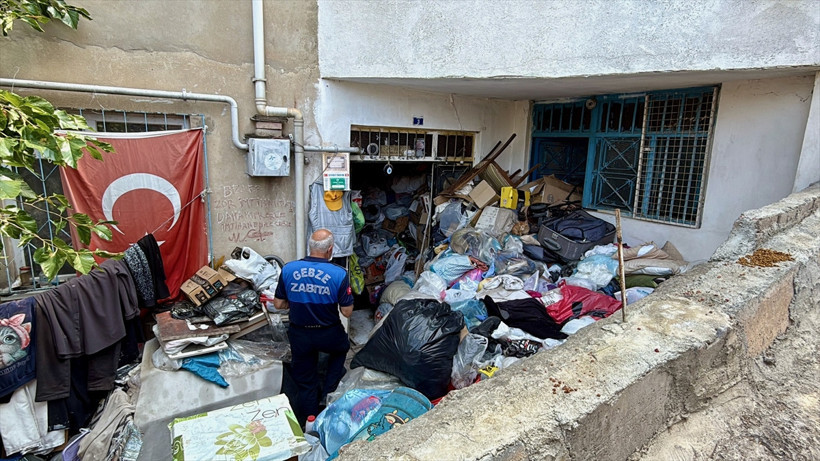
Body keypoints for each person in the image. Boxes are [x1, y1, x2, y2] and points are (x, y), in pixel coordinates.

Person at [273, 229, 353, 425]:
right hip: (328, 333)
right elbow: (347, 312)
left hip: (300, 333)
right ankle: (328, 394)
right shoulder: (339, 274)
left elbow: (278, 304)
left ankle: (309, 418)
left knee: (305, 378)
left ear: (310, 247)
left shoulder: (289, 269)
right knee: (341, 349)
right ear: (330, 250)